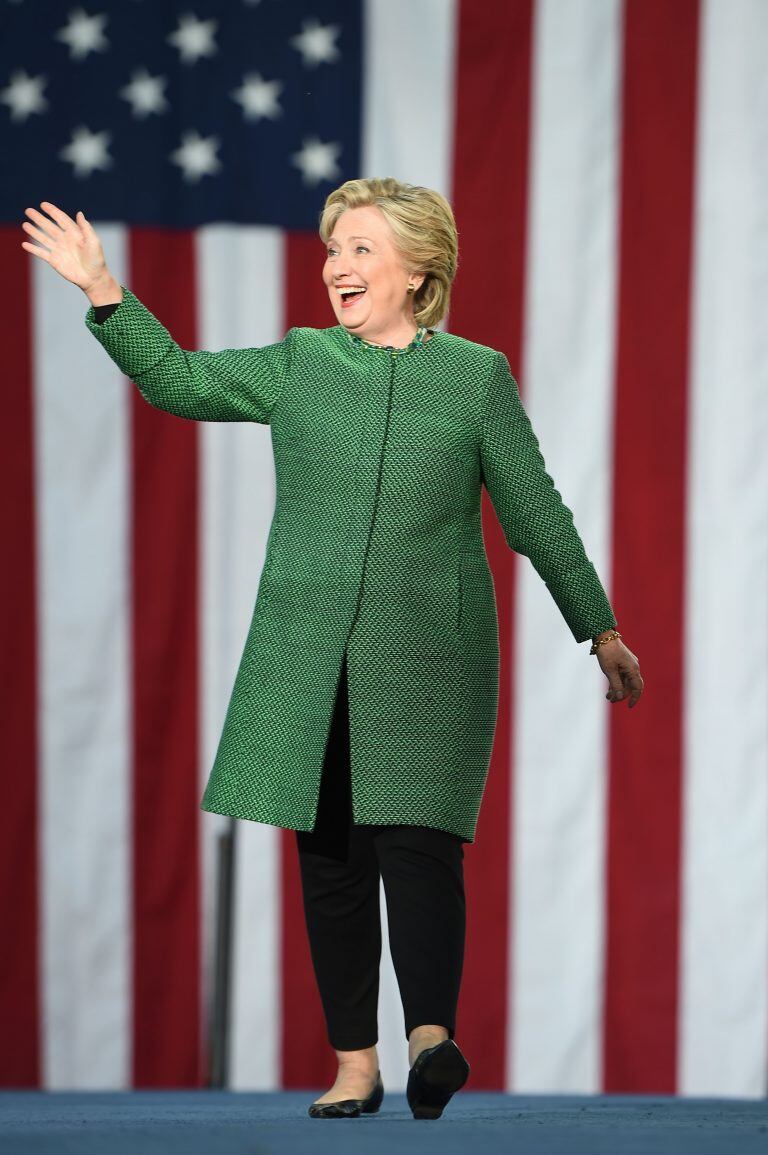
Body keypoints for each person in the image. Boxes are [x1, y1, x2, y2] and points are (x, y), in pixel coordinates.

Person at [21, 182, 644, 1120]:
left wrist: (597, 626)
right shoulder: (302, 361)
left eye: (359, 248)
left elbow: (535, 512)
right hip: (308, 653)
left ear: (419, 268)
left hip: (432, 654)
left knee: (419, 845)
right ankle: (357, 1065)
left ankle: (431, 1036)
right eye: (332, 250)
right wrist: (105, 289)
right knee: (335, 859)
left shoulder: (476, 377)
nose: (337, 267)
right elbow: (180, 380)